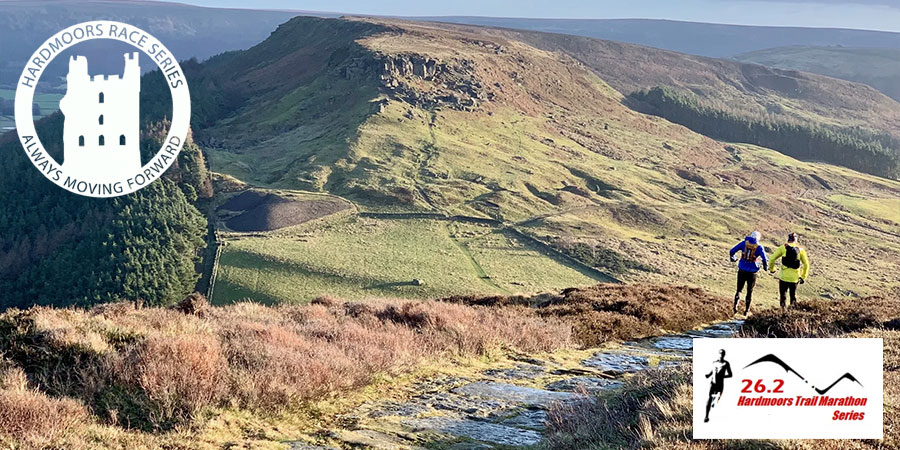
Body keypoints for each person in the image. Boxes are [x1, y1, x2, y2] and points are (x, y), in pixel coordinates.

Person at [728, 231, 768, 315]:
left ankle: (735, 307)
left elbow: (732, 251)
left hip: (742, 269)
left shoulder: (744, 243)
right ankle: (746, 311)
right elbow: (764, 259)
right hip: (752, 272)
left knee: (739, 290)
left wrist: (733, 258)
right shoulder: (759, 247)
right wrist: (765, 267)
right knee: (749, 291)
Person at [768, 232, 810, 311]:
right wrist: (803, 276)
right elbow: (806, 264)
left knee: (783, 296)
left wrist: (772, 269)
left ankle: (782, 312)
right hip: (795, 278)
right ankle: (792, 313)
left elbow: (771, 259)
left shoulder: (783, 248)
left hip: (783, 277)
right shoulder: (800, 250)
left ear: (788, 239)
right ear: (796, 240)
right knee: (793, 296)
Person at [704, 349, 732, 423]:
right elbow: (712, 371)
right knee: (709, 398)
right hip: (713, 383)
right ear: (718, 354)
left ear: (724, 355)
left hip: (720, 383)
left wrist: (722, 376)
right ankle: (706, 416)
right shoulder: (714, 363)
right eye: (720, 353)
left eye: (722, 354)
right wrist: (708, 375)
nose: (721, 355)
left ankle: (714, 402)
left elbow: (730, 375)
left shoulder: (726, 364)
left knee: (717, 399)